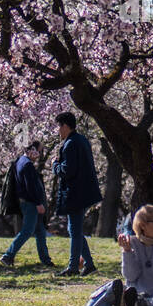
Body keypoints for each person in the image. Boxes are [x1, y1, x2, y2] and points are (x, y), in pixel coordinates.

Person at [53, 112, 102, 277]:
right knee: (75, 229)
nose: (58, 131)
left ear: (65, 126)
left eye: (59, 126)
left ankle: (73, 266)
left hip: (75, 192)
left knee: (74, 230)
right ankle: (89, 264)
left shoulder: (70, 144)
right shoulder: (82, 140)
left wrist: (55, 165)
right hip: (84, 191)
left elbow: (68, 170)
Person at [0, 141, 55, 268]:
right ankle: (8, 255)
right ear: (32, 149)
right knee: (27, 231)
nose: (39, 155)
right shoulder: (27, 165)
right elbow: (30, 187)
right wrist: (38, 203)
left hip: (27, 202)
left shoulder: (20, 161)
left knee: (40, 231)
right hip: (30, 203)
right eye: (39, 151)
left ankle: (46, 260)